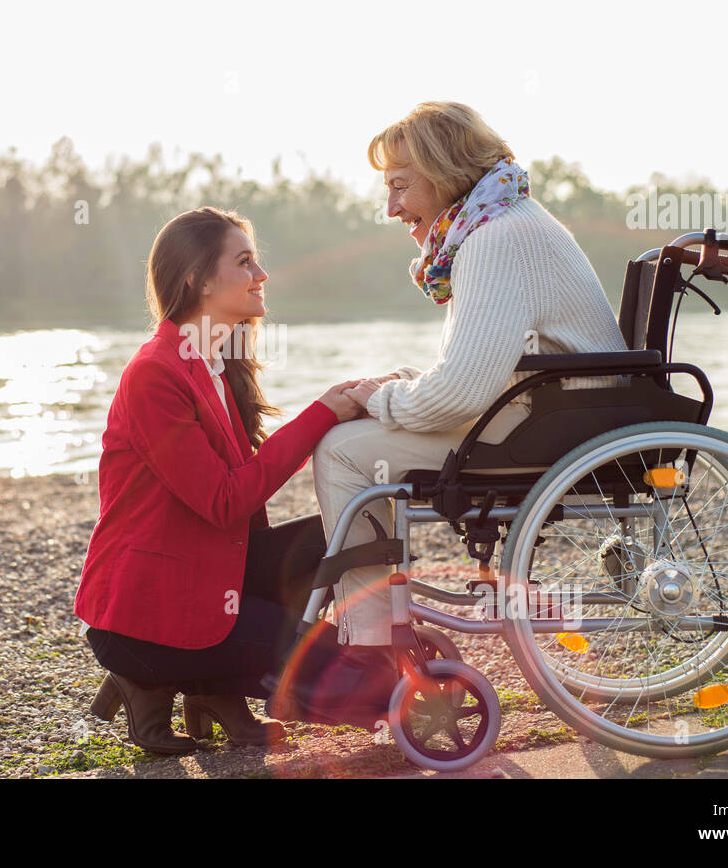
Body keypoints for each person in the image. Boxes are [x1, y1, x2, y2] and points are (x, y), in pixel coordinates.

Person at [288, 101, 629, 724]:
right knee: (369, 426)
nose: (391, 207)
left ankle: (365, 646)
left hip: (551, 429)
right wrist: (402, 389)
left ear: (445, 172)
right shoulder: (507, 223)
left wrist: (380, 398)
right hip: (557, 412)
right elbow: (483, 374)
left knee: (341, 450)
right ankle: (375, 625)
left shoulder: (495, 239)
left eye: (400, 184)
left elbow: (463, 395)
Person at [74, 206, 368, 754]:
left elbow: (245, 514)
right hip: (150, 608)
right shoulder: (154, 374)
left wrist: (359, 409)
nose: (261, 275)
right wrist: (323, 411)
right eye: (245, 261)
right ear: (198, 281)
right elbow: (224, 501)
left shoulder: (212, 362)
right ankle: (151, 673)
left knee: (351, 533)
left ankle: (215, 688)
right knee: (334, 667)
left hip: (210, 574)